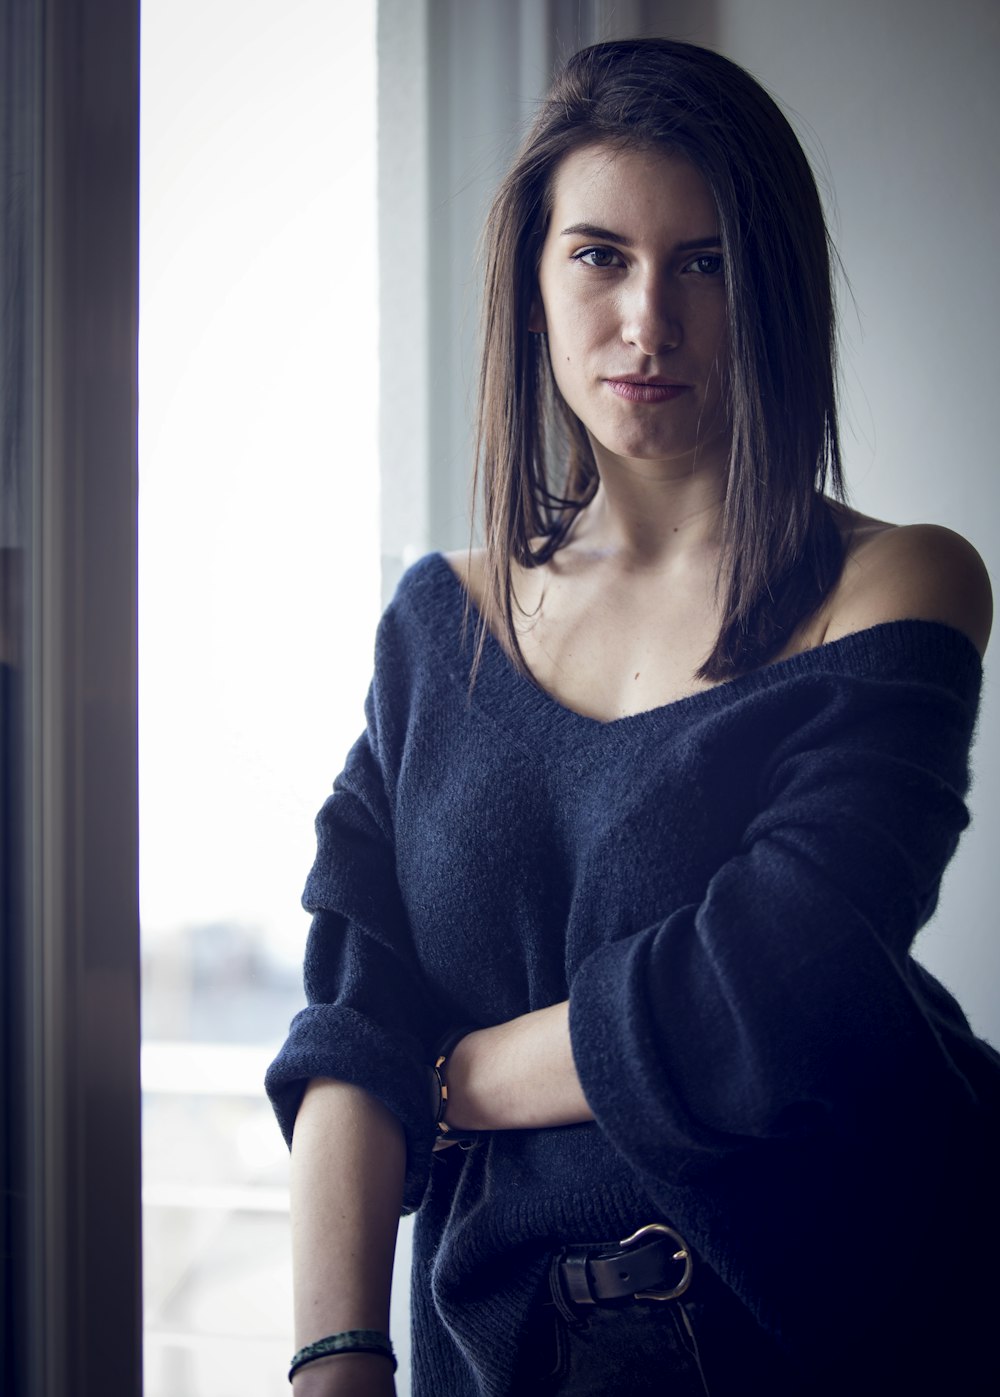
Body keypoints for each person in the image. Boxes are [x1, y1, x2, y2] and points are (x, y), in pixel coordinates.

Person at [267, 38, 998, 1396]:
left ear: (769, 289)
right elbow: (348, 1022)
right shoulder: (440, 627)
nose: (648, 318)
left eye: (705, 262)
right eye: (600, 255)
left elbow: (780, 986)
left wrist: (446, 1081)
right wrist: (336, 1358)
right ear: (534, 282)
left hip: (860, 1324)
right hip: (508, 1351)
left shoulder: (899, 581)